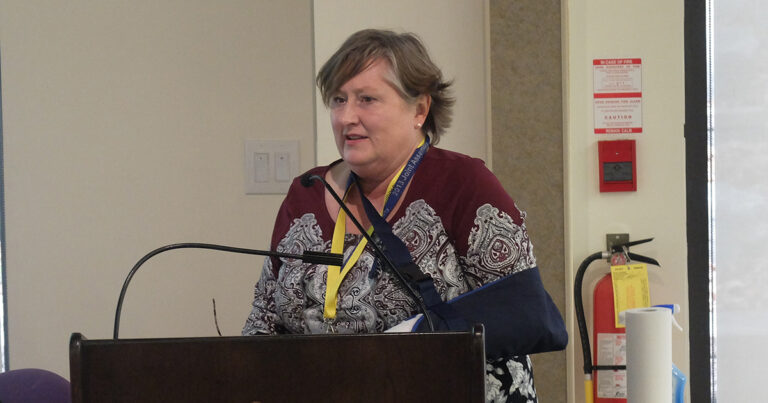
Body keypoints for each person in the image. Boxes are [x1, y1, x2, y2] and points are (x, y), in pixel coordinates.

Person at [243, 29, 567, 403]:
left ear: (419, 109)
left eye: (367, 99)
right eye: (338, 99)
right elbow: (263, 326)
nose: (347, 116)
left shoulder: (463, 183)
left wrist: (415, 336)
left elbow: (525, 313)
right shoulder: (308, 191)